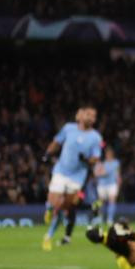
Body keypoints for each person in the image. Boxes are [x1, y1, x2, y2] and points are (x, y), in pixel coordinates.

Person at [42, 106, 103, 250]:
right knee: (54, 199)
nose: (91, 118)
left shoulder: (96, 137)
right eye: (89, 114)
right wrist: (47, 153)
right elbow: (57, 142)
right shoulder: (69, 128)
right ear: (81, 116)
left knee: (67, 207)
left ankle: (50, 234)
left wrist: (87, 160)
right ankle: (50, 208)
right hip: (61, 171)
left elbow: (96, 158)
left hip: (78, 177)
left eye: (94, 116)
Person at [94, 146, 122, 226]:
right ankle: (99, 218)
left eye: (110, 153)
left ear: (112, 154)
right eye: (107, 153)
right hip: (102, 184)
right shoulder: (102, 163)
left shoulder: (116, 163)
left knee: (112, 200)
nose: (108, 155)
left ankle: (110, 219)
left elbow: (117, 174)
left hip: (112, 184)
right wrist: (102, 173)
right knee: (100, 202)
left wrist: (119, 182)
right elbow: (97, 173)